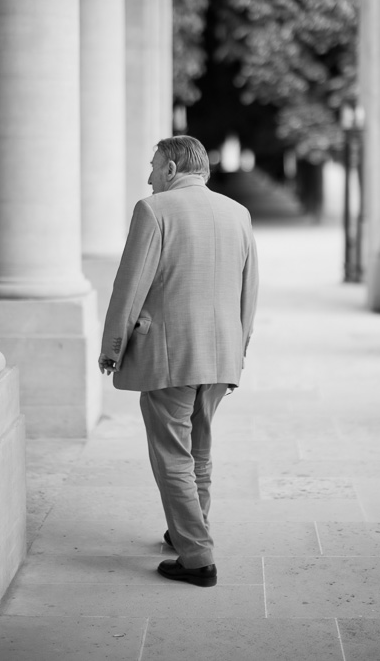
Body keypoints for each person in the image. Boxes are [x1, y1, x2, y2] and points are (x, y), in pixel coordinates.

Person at [98, 135, 259, 588]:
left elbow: (129, 287)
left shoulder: (153, 210)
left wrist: (113, 348)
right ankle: (188, 532)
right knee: (198, 450)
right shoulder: (238, 213)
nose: (149, 177)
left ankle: (196, 556)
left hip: (170, 355)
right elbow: (250, 290)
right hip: (222, 353)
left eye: (153, 167)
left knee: (172, 455)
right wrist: (239, 350)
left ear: (171, 169)